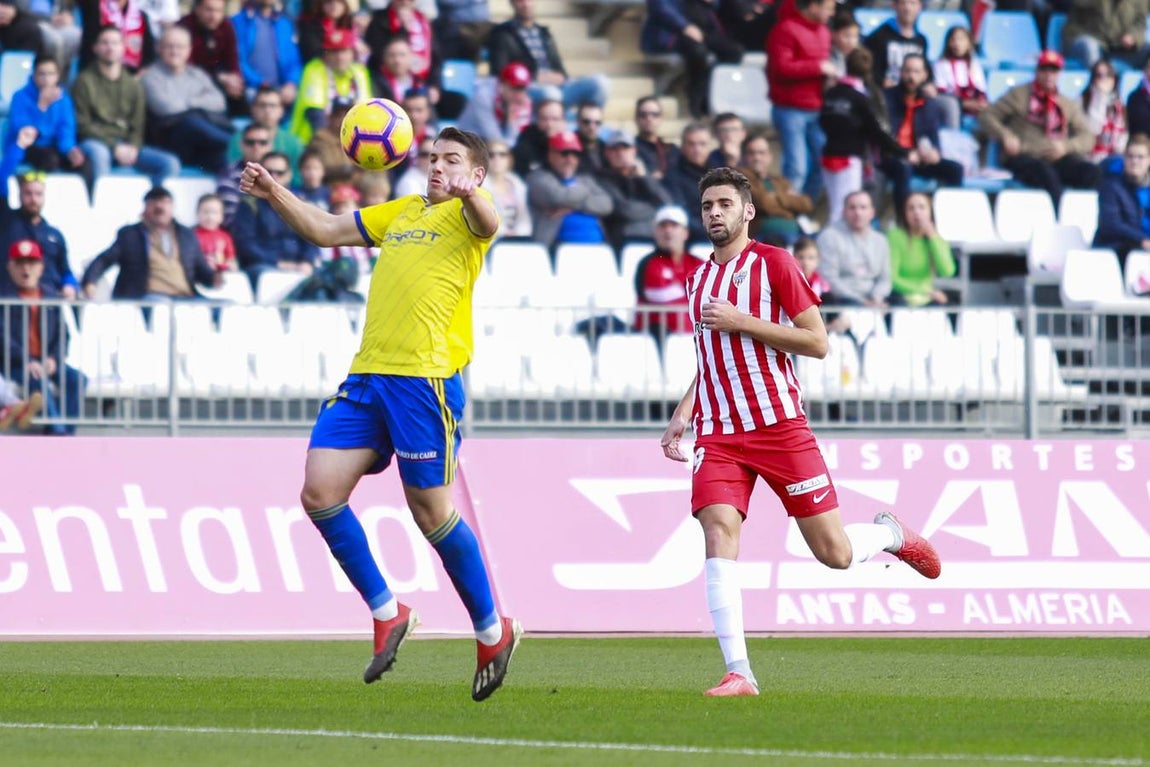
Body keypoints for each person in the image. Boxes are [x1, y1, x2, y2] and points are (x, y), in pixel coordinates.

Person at [237, 126, 523, 702]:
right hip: (369, 375)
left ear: (476, 173)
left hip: (426, 382)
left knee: (431, 511)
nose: (438, 167)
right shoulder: (404, 210)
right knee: (319, 493)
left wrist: (470, 192)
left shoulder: (470, 217)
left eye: (452, 161)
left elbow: (491, 221)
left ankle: (493, 631)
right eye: (434, 158)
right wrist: (274, 193)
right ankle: (388, 613)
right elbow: (323, 230)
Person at [659, 167, 941, 697]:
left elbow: (816, 342)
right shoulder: (698, 281)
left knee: (833, 552)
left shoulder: (775, 263)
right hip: (719, 433)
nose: (714, 213)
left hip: (779, 427)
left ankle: (889, 534)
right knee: (717, 531)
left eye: (724, 204)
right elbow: (712, 354)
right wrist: (685, 409)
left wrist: (743, 320)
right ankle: (739, 671)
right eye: (707, 206)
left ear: (748, 211)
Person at [978, 50, 1101, 204]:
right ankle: (1058, 219)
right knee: (1046, 174)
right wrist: (1005, 135)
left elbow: (1087, 136)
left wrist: (1066, 146)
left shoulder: (1066, 103)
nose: (1049, 75)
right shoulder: (1019, 94)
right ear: (1037, 71)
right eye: (1044, 69)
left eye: (1054, 70)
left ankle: (1085, 215)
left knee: (1091, 172)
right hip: (1024, 156)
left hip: (1056, 157)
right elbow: (987, 115)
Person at [73, 24, 182, 186]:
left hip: (126, 145)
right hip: (97, 142)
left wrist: (133, 147)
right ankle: (102, 206)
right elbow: (83, 125)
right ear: (95, 48)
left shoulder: (133, 84)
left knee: (170, 163)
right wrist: (114, 146)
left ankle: (152, 204)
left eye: (115, 43)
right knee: (99, 154)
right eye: (104, 43)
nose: (110, 47)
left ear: (123, 48)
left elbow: (138, 125)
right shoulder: (83, 81)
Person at [1, 238, 86, 435]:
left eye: (31, 263)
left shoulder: (50, 297)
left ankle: (65, 431)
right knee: (36, 378)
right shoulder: (3, 296)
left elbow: (63, 334)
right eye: (20, 263)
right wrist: (27, 360)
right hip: (13, 364)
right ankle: (58, 432)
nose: (26, 269)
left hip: (45, 361)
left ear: (41, 267)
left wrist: (54, 359)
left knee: (76, 380)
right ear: (10, 267)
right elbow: (2, 337)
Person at [80, 185, 220, 300]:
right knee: (160, 306)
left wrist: (215, 278)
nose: (160, 207)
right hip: (148, 297)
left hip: (186, 296)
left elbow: (202, 270)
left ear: (172, 207)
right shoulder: (130, 235)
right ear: (145, 208)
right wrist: (90, 281)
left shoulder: (187, 235)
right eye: (154, 203)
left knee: (226, 306)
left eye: (164, 202)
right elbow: (105, 260)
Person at [819, 47, 908, 223]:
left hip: (828, 154)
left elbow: (823, 122)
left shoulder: (830, 94)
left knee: (836, 206)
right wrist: (901, 152)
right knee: (843, 208)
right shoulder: (860, 98)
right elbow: (875, 130)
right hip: (850, 158)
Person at [766, 0, 836, 200]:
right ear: (813, 6)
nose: (831, 13)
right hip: (790, 108)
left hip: (817, 108)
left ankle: (802, 211)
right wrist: (818, 68)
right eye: (828, 8)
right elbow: (781, 67)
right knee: (796, 167)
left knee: (822, 164)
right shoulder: (785, 30)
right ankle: (787, 214)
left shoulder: (824, 31)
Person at [141, 25, 234, 174]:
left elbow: (219, 102)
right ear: (159, 48)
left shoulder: (197, 74)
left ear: (189, 50)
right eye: (169, 46)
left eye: (180, 47)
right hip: (169, 142)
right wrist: (198, 104)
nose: (174, 51)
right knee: (191, 122)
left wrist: (190, 105)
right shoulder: (150, 76)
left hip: (199, 144)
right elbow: (166, 108)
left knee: (223, 159)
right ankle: (235, 142)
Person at [880, 53, 964, 211]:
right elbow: (882, 136)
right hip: (892, 157)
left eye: (916, 72)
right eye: (908, 71)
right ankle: (905, 224)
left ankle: (948, 218)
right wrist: (904, 153)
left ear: (925, 75)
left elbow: (933, 135)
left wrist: (935, 152)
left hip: (919, 156)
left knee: (955, 169)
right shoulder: (886, 98)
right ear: (901, 72)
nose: (911, 76)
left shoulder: (929, 103)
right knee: (903, 168)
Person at [488, 0, 608, 109]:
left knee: (599, 82)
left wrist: (562, 77)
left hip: (557, 86)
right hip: (529, 87)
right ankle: (560, 123)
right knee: (551, 94)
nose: (526, 4)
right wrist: (535, 76)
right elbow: (499, 72)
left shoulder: (544, 32)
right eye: (520, 1)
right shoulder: (502, 34)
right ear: (512, 3)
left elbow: (559, 67)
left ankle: (589, 124)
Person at [231, 151, 319, 292]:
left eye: (279, 173)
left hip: (299, 266)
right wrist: (279, 264)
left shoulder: (299, 202)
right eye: (269, 172)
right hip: (264, 266)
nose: (273, 177)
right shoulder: (249, 204)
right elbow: (245, 245)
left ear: (289, 175)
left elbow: (313, 237)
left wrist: (307, 262)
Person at [639, 0, 742, 118]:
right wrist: (685, 26)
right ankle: (695, 98)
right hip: (671, 34)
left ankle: (709, 90)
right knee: (698, 52)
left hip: (702, 31)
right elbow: (661, 9)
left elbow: (716, 5)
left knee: (733, 51)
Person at [2, 55, 87, 181]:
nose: (47, 79)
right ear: (34, 75)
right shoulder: (20, 97)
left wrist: (69, 149)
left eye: (51, 74)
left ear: (58, 76)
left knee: (82, 163)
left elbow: (66, 129)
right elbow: (25, 133)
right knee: (49, 160)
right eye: (42, 74)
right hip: (28, 147)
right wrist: (42, 107)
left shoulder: (64, 99)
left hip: (54, 146)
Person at [524, 130, 613, 250]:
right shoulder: (538, 177)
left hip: (597, 247)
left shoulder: (585, 180)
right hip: (557, 248)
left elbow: (606, 205)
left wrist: (572, 206)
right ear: (551, 154)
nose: (570, 159)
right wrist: (586, 194)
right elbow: (558, 198)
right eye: (564, 153)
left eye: (575, 154)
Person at [0, 169, 77, 298]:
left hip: (47, 307)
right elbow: (2, 177)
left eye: (38, 194)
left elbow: (65, 270)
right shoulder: (7, 224)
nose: (33, 199)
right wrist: (17, 149)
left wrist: (70, 285)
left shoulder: (54, 235)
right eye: (28, 194)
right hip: (11, 305)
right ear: (20, 195)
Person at [289, 27, 371, 145]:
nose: (339, 57)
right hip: (311, 142)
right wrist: (335, 145)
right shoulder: (313, 70)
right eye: (333, 52)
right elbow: (316, 116)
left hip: (349, 143)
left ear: (352, 53)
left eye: (344, 51)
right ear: (325, 54)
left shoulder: (359, 72)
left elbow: (364, 111)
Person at [595, 129, 673, 251]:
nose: (620, 153)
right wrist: (655, 209)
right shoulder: (602, 178)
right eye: (615, 149)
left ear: (634, 151)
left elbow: (667, 204)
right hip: (622, 241)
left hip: (652, 239)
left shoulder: (642, 176)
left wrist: (644, 177)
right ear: (607, 153)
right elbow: (624, 210)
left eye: (625, 148)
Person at [815, 189, 891, 308]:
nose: (858, 213)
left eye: (863, 207)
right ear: (844, 211)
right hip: (841, 300)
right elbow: (828, 278)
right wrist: (861, 302)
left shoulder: (881, 240)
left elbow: (885, 278)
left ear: (872, 212)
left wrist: (877, 297)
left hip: (874, 300)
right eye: (852, 207)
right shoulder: (829, 236)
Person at [736, 131, 812, 247]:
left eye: (761, 153)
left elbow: (806, 204)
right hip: (764, 237)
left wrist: (776, 197)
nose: (757, 157)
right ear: (744, 156)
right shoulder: (740, 177)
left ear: (769, 157)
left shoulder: (780, 181)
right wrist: (788, 204)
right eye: (752, 153)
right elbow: (763, 203)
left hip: (796, 235)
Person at [632, 204, 696, 343]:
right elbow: (662, 298)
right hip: (657, 338)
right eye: (662, 226)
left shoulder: (697, 263)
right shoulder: (648, 263)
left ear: (685, 233)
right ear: (655, 232)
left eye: (674, 225)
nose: (668, 230)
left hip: (693, 336)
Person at [887, 191, 956, 307]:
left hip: (926, 296)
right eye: (911, 208)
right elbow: (892, 278)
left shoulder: (937, 238)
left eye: (922, 207)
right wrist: (923, 291)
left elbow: (948, 271)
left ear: (930, 212)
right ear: (905, 213)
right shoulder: (895, 236)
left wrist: (933, 237)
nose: (916, 212)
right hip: (901, 295)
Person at [178, 0, 246, 117]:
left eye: (219, 11)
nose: (214, 16)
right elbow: (187, 67)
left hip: (222, 80)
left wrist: (235, 80)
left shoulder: (226, 27)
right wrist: (219, 77)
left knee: (240, 96)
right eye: (209, 10)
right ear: (197, 9)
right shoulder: (185, 27)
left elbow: (233, 59)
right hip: (191, 84)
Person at [225, 85, 304, 184]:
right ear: (253, 109)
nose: (267, 111)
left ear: (281, 111)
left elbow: (299, 178)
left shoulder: (294, 143)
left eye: (273, 106)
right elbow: (233, 171)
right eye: (262, 105)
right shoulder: (238, 139)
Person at [231, 0, 301, 110]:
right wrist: (259, 82)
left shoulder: (284, 23)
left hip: (281, 90)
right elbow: (238, 59)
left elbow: (293, 60)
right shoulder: (238, 22)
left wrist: (291, 83)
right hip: (252, 88)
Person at [1094, 133, 1150, 268]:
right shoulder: (1111, 186)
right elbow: (1111, 224)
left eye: (1140, 157)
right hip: (1116, 249)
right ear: (1124, 158)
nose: (1135, 161)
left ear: (1149, 160)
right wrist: (1142, 239)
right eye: (1130, 156)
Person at [455, 61, 534, 145]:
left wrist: (514, 118)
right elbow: (496, 141)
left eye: (522, 89)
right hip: (469, 144)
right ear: (502, 84)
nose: (519, 94)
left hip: (492, 145)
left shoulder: (519, 100)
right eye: (515, 88)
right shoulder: (483, 97)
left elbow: (521, 139)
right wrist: (512, 121)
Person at [661, 121, 713, 244]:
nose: (697, 149)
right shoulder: (673, 175)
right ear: (683, 146)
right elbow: (681, 213)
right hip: (692, 239)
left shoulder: (718, 173)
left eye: (702, 144)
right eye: (691, 144)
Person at [1063, 0, 1150, 71]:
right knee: (1090, 47)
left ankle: (1143, 89)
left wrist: (1133, 36)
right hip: (1084, 38)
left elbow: (1140, 22)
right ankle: (1096, 84)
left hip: (1118, 46)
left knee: (1146, 49)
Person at [932, 26, 987, 125]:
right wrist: (963, 103)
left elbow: (981, 89)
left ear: (969, 42)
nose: (957, 44)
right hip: (952, 104)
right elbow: (941, 92)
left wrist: (980, 103)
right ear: (948, 43)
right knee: (952, 107)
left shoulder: (974, 64)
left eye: (961, 39)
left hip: (974, 103)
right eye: (953, 40)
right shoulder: (941, 64)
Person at [481, 138, 532, 238]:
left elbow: (524, 218)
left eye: (502, 154)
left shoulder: (519, 185)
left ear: (510, 159)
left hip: (518, 240)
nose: (497, 159)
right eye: (491, 155)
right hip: (488, 242)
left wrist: (520, 234)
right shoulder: (478, 186)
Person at [1081, 58, 1128, 163]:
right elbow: (1094, 129)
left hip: (1113, 157)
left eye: (1109, 75)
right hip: (1089, 158)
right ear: (1093, 78)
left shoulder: (1119, 103)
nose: (1104, 79)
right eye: (1099, 75)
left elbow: (1122, 136)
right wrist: (1100, 97)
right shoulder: (1083, 100)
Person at [511, 97, 566, 176]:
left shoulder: (572, 144)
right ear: (537, 120)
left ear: (564, 122)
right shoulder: (526, 144)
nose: (549, 124)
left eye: (555, 119)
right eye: (544, 119)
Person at [634, 95, 682, 180]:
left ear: (661, 118)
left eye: (655, 114)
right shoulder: (630, 149)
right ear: (636, 118)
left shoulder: (671, 150)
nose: (649, 118)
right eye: (643, 114)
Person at [193, 192, 236, 272]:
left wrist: (229, 265)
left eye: (215, 213)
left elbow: (231, 259)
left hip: (223, 273)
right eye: (206, 212)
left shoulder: (225, 236)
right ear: (197, 214)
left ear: (221, 216)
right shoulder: (192, 235)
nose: (210, 217)